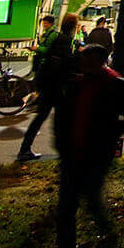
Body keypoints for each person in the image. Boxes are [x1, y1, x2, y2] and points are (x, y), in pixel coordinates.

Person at [48, 44, 124, 248]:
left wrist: (111, 134)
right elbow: (63, 116)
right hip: (73, 154)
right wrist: (62, 142)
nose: (82, 64)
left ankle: (105, 236)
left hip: (96, 154)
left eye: (87, 60)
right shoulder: (76, 84)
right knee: (67, 208)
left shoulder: (115, 85)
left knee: (88, 200)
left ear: (100, 61)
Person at [19, 13, 78, 161]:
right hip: (58, 85)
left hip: (48, 83)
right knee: (60, 119)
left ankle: (25, 149)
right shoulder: (67, 41)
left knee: (41, 117)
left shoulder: (56, 38)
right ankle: (63, 149)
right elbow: (66, 64)